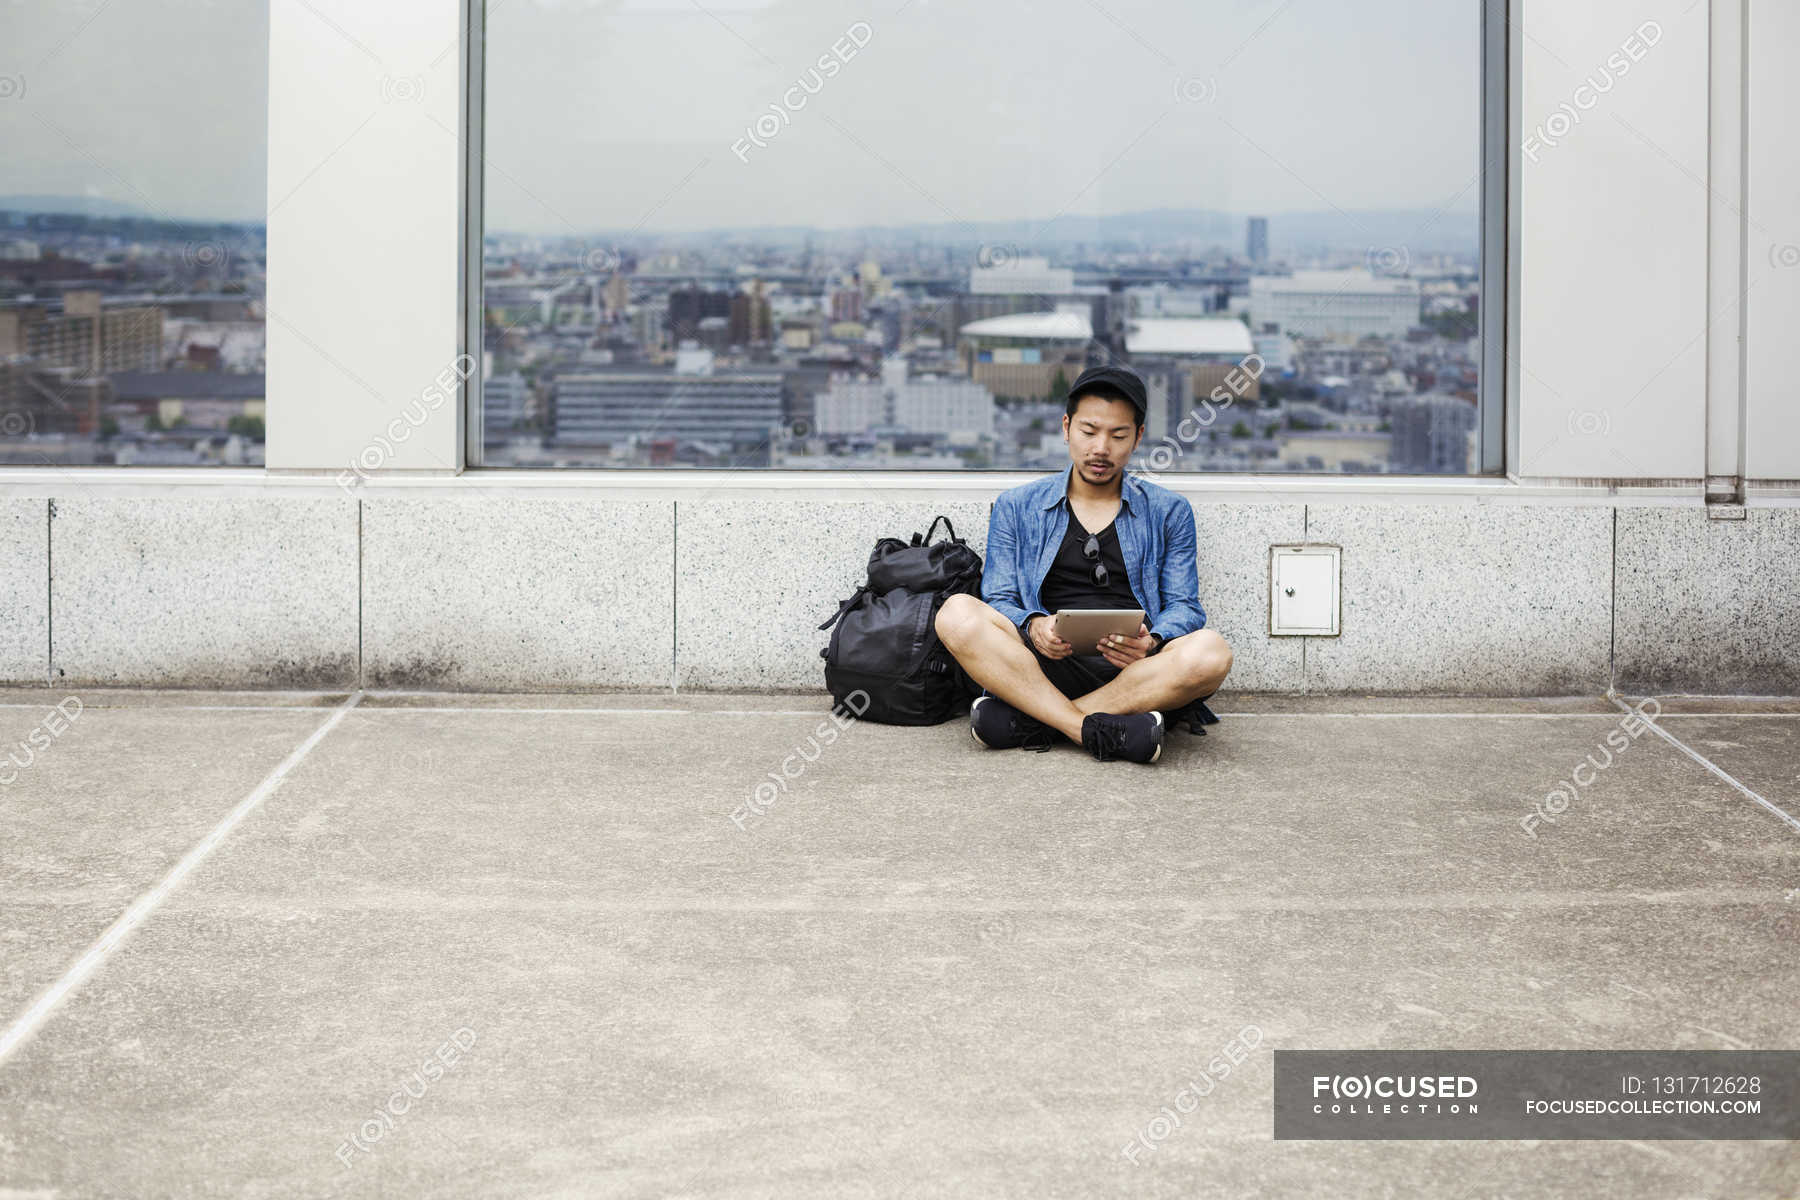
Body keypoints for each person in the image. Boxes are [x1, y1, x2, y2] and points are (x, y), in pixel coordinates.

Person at [934, 364, 1232, 764]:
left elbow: (1185, 606)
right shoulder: (1017, 506)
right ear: (1066, 427)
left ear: (1139, 436)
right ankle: (1101, 729)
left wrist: (1152, 642)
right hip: (1041, 667)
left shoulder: (1169, 511)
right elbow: (998, 596)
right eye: (1089, 432)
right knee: (955, 613)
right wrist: (1034, 625)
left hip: (1133, 674)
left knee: (1212, 652)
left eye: (1118, 435)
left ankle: (1036, 720)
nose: (1101, 448)